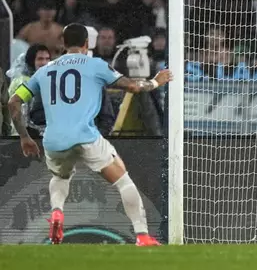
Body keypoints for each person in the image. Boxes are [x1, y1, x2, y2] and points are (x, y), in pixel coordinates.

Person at [7, 23, 173, 246]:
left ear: (63, 44)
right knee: (123, 181)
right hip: (86, 137)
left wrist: (25, 137)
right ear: (87, 44)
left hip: (54, 141)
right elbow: (132, 87)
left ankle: (57, 212)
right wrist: (155, 81)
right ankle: (142, 235)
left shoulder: (44, 71)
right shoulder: (96, 65)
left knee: (60, 177)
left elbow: (14, 102)